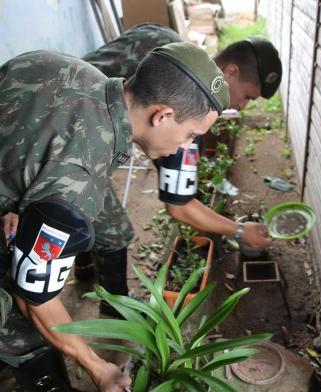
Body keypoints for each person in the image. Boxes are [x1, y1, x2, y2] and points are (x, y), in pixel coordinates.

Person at [0, 42, 232, 391]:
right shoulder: (77, 184)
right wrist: (98, 367)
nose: (186, 147)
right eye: (191, 135)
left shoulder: (62, 65)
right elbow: (34, 296)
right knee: (22, 330)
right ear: (162, 115)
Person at [76, 23, 281, 307]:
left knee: (84, 210)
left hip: (63, 100)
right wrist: (239, 230)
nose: (243, 106)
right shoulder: (184, 114)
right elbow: (180, 205)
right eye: (247, 96)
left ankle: (83, 264)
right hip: (77, 145)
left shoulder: (162, 38)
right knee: (113, 229)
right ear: (230, 72)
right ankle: (117, 307)